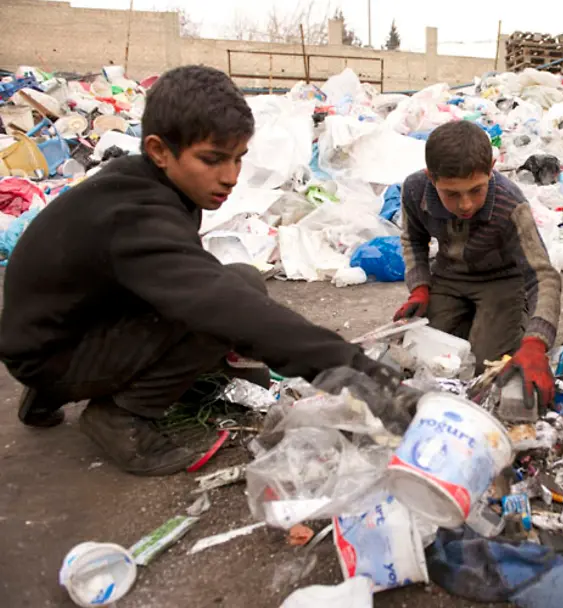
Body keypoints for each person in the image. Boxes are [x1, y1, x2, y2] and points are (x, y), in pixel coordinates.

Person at [0, 66, 402, 476]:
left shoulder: (141, 184)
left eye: (238, 158)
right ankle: (120, 416)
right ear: (159, 150)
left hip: (51, 332)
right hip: (52, 353)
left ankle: (51, 391)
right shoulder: (136, 214)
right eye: (212, 160)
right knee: (226, 304)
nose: (230, 177)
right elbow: (222, 306)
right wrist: (363, 376)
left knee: (236, 283)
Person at [395, 120, 562, 406]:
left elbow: (543, 276)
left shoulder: (510, 204)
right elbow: (413, 240)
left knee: (486, 370)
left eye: (476, 190)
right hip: (448, 279)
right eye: (452, 194)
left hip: (502, 282)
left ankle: (516, 318)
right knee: (424, 360)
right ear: (430, 177)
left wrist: (536, 341)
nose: (466, 205)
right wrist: (420, 287)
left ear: (492, 168)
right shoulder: (414, 190)